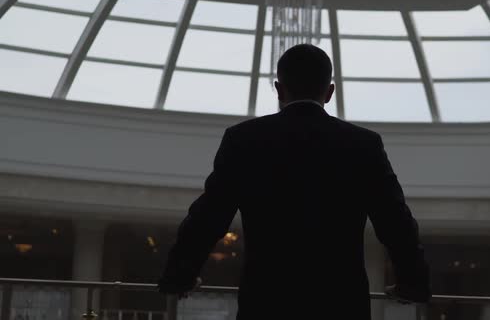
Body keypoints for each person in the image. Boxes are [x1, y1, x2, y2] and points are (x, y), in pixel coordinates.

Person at [158, 44, 431, 320]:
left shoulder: (243, 140)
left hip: (265, 303)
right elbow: (395, 220)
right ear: (329, 92)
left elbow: (209, 216)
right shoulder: (363, 144)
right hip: (340, 304)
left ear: (279, 90)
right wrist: (414, 283)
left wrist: (180, 275)